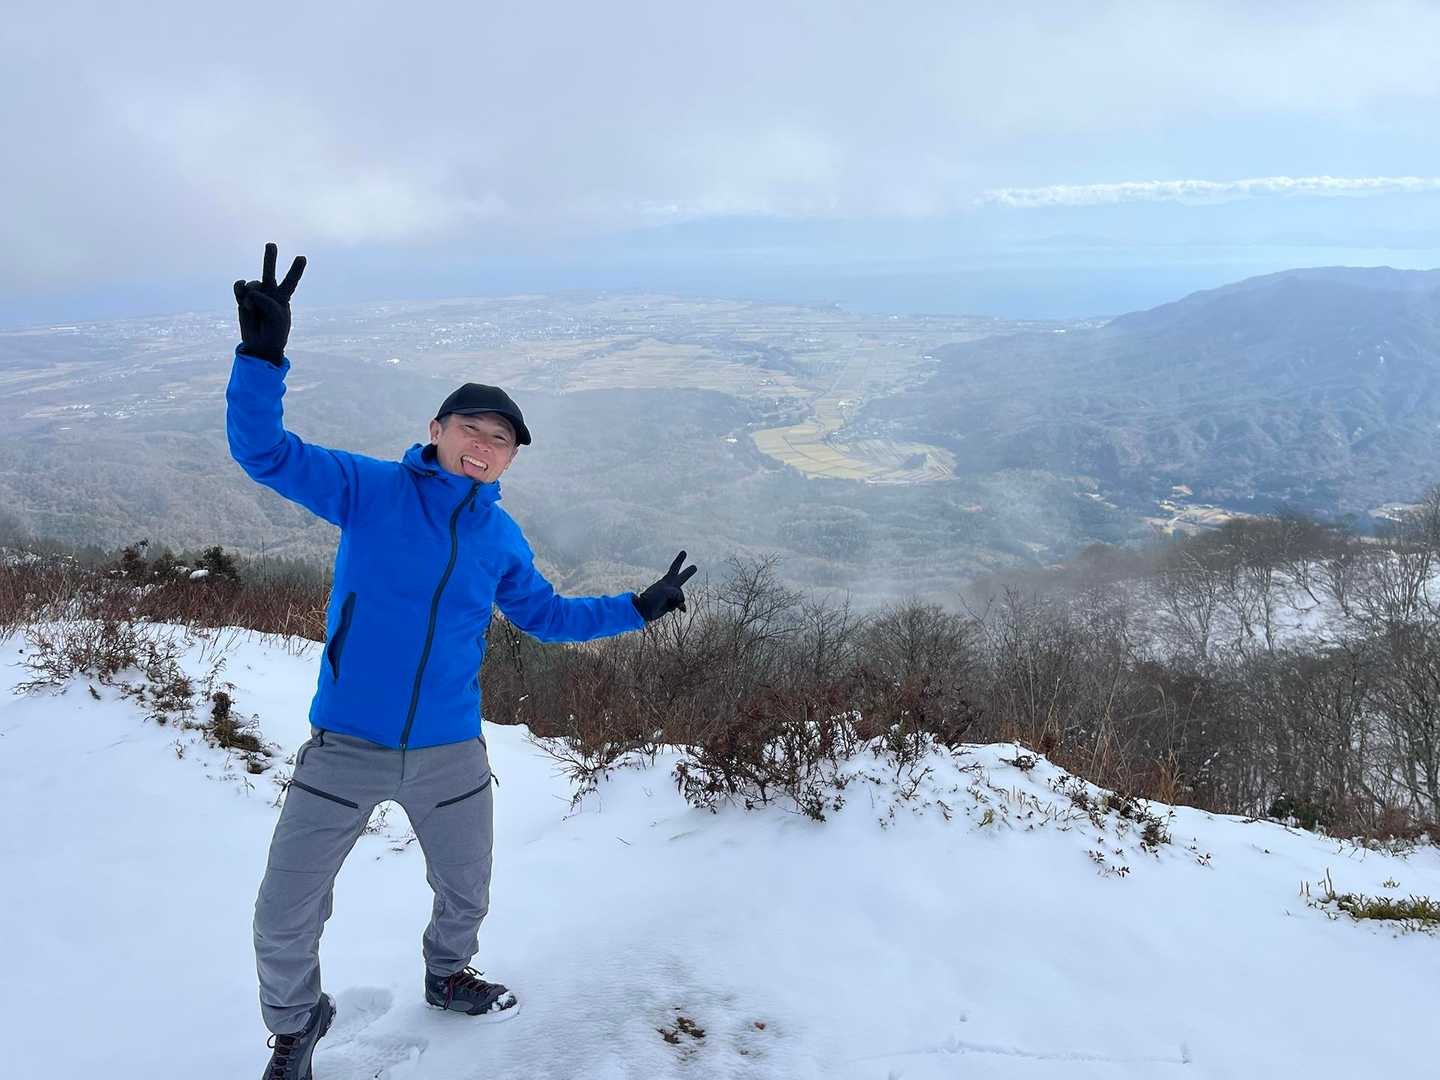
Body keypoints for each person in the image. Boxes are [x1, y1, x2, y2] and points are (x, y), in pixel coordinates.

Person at [228, 244, 696, 1080]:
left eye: (501, 439)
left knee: (466, 889)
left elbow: (545, 617)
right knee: (283, 912)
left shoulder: (499, 537)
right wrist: (261, 360)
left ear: (511, 459)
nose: (483, 444)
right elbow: (266, 452)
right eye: (471, 428)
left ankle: (447, 976)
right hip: (345, 746)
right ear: (436, 431)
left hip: (450, 750)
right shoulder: (369, 490)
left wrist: (637, 606)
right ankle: (296, 1026)